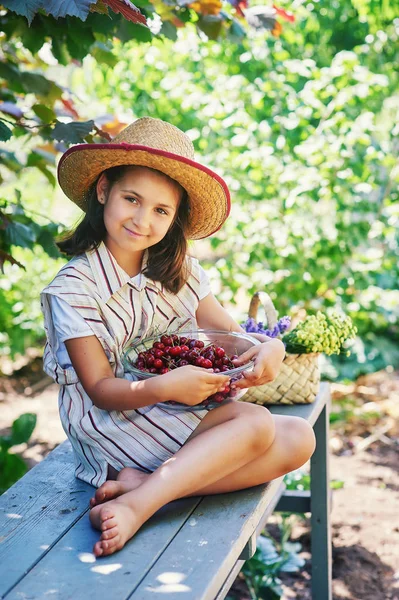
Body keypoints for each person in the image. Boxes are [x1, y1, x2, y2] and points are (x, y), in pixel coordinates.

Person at [41, 117, 315, 558]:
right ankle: (139, 506)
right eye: (132, 199)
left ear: (175, 218)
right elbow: (101, 390)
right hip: (115, 425)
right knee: (258, 424)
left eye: (160, 210)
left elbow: (228, 332)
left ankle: (147, 486)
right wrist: (167, 385)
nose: (142, 219)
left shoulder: (178, 271)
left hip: (176, 411)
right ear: (103, 190)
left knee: (301, 439)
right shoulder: (75, 288)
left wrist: (269, 346)